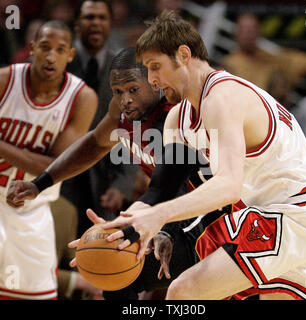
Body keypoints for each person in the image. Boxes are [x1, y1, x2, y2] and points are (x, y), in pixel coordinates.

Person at [96, 11, 306, 300]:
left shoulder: (223, 96)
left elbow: (228, 186)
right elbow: (160, 192)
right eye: (148, 70)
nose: (152, 80)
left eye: (156, 66)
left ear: (183, 54)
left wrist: (156, 217)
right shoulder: (176, 120)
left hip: (298, 213)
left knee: (184, 293)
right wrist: (116, 229)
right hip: (269, 216)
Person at [7, 47, 231, 300]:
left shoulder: (177, 115)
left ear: (155, 83)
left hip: (214, 211)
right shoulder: (124, 111)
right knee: (114, 270)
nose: (125, 99)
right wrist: (41, 183)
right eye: (118, 91)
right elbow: (95, 144)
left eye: (133, 89)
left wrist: (162, 228)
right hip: (168, 208)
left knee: (138, 275)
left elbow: (173, 188)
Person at [0, 20, 97, 299]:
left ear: (70, 55)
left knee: (38, 294)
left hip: (32, 209)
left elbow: (53, 167)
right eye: (44, 47)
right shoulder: (5, 80)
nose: (51, 56)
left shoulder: (82, 98)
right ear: (32, 49)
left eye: (59, 49)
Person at [63, 0, 138, 236]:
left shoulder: (124, 70)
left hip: (104, 181)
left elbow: (132, 130)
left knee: (95, 256)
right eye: (89, 17)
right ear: (76, 24)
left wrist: (122, 185)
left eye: (101, 17)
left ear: (110, 23)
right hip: (58, 173)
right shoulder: (57, 64)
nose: (95, 23)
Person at [222, 13, 306, 91]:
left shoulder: (272, 58)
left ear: (258, 33)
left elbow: (302, 61)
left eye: (251, 30)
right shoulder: (229, 64)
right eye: (244, 30)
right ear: (236, 34)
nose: (248, 35)